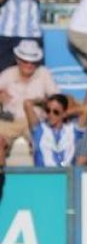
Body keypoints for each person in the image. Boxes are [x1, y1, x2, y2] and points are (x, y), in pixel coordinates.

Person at [0, 41, 61, 171]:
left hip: (35, 120)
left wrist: (40, 101)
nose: (29, 65)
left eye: (32, 61)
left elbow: (57, 100)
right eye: (25, 61)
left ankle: (42, 180)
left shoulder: (44, 73)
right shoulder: (8, 74)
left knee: (42, 143)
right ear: (18, 60)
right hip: (11, 120)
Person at [23, 94, 87, 166]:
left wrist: (65, 113)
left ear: (64, 113)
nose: (51, 114)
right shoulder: (39, 129)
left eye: (56, 112)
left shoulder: (73, 130)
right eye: (48, 110)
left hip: (67, 174)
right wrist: (44, 102)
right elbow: (27, 104)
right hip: (44, 174)